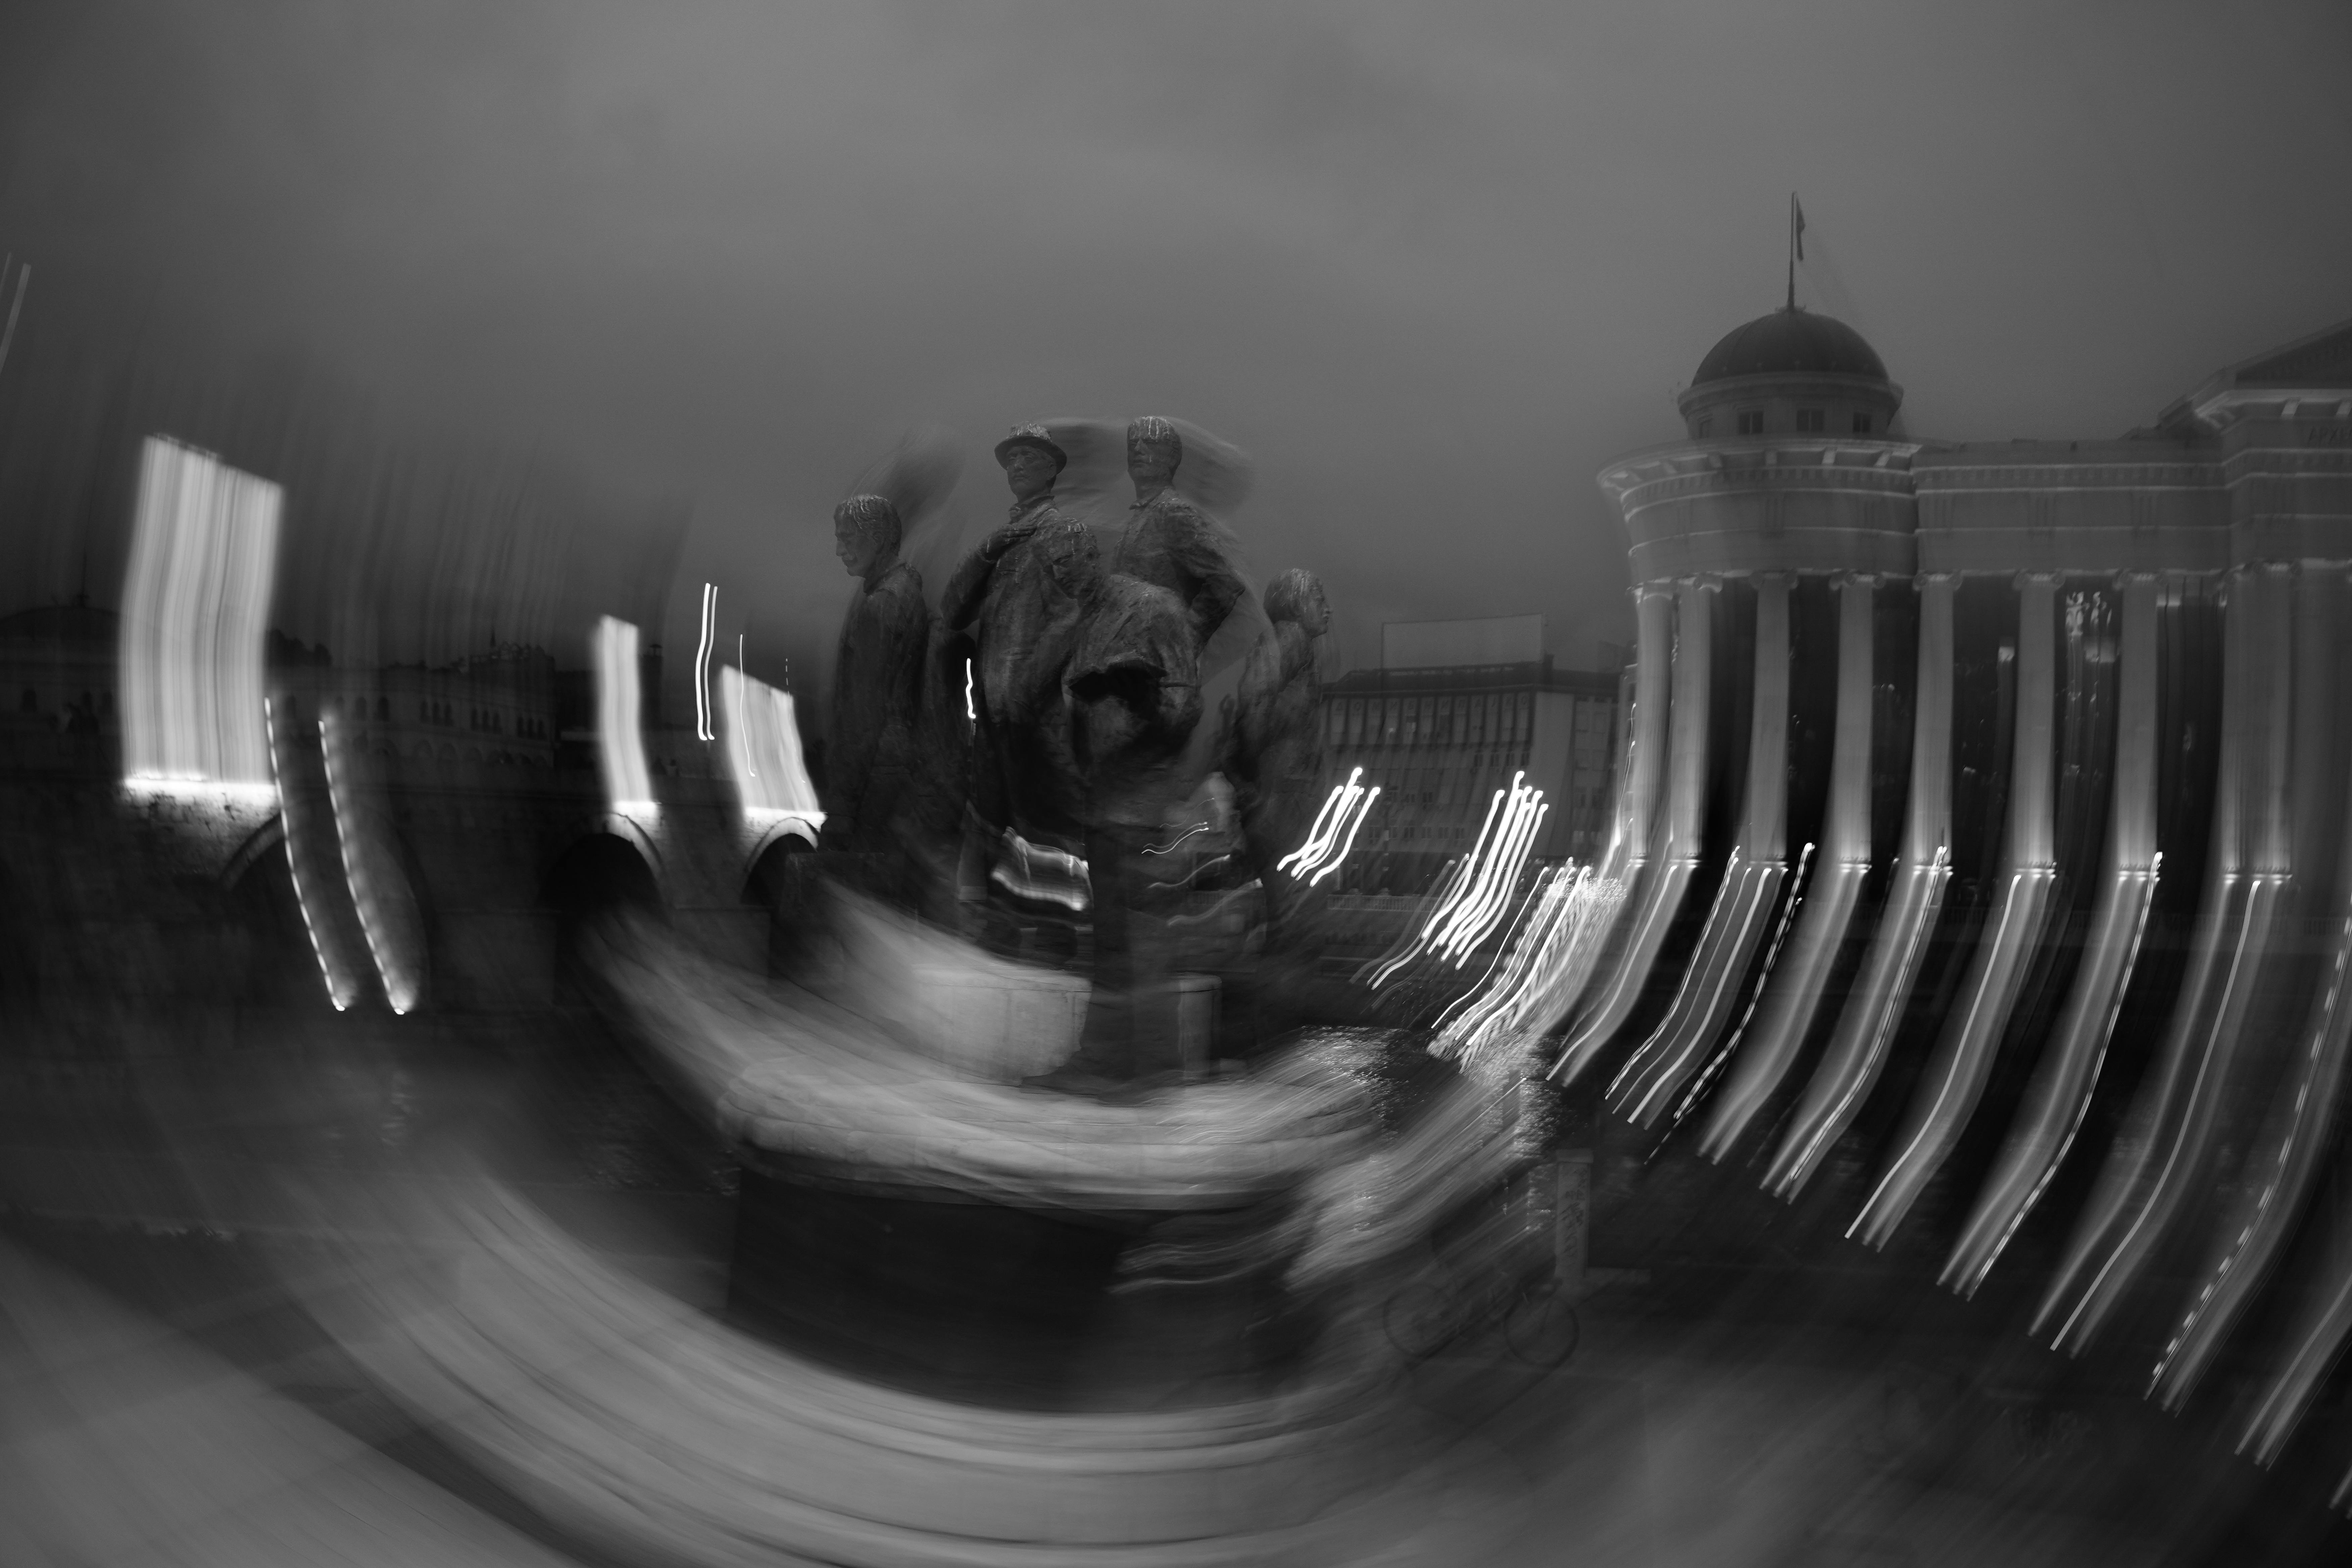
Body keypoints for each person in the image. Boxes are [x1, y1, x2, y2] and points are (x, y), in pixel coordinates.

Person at [940, 425, 1100, 873]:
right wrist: (984, 551)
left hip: (1038, 714)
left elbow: (1080, 613)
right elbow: (952, 611)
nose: (1016, 465)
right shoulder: (1002, 544)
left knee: (1051, 825)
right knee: (994, 826)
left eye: (1027, 456)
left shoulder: (1065, 533)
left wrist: (1025, 688)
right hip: (994, 717)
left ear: (1051, 469)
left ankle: (1061, 908)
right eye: (1011, 458)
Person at [822, 493, 931, 859]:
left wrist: (843, 804)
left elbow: (864, 711)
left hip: (872, 774)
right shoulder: (907, 593)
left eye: (847, 538)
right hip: (894, 764)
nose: (839, 550)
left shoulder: (882, 604)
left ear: (878, 538)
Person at [1114, 417, 1247, 657]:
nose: (1138, 449)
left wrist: (1184, 640)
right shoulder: (1143, 514)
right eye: (1133, 444)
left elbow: (1227, 583)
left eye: (1150, 443)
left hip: (1155, 661)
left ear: (1172, 458)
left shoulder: (1173, 512)